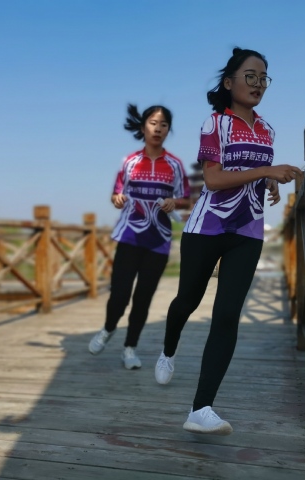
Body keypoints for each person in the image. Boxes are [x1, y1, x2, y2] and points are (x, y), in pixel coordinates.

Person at [154, 47, 303, 435]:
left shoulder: (267, 129)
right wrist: (268, 170)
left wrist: (268, 180)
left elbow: (252, 170)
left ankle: (201, 408)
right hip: (207, 227)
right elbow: (215, 179)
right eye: (250, 76)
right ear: (229, 82)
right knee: (187, 300)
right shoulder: (215, 123)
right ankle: (168, 350)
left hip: (248, 231)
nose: (258, 84)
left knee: (226, 316)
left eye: (263, 78)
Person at [88, 104, 190, 370]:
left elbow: (185, 198)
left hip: (159, 240)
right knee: (119, 295)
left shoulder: (175, 164)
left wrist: (174, 202)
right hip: (129, 235)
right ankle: (108, 328)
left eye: (164, 125)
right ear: (144, 126)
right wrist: (117, 199)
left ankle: (130, 348)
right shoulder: (129, 161)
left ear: (168, 130)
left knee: (143, 298)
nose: (158, 129)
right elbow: (116, 193)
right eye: (153, 123)